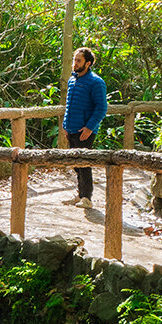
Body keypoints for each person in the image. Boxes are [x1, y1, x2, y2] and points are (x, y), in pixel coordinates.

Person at [62, 44, 108, 216]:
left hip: (85, 131)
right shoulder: (72, 80)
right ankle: (80, 195)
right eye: (74, 59)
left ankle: (87, 198)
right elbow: (69, 106)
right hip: (72, 129)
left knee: (84, 163)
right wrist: (66, 126)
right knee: (75, 163)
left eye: (78, 60)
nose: (75, 63)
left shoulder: (96, 82)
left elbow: (101, 107)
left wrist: (89, 127)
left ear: (88, 63)